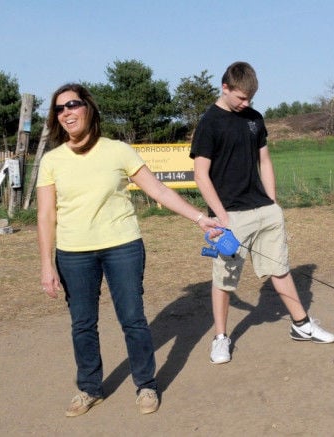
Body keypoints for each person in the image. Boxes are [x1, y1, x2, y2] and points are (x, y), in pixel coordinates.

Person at [37, 83, 221, 417]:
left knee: (133, 319)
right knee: (82, 324)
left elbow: (159, 191)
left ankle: (146, 385)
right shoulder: (52, 161)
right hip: (73, 253)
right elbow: (45, 215)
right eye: (59, 108)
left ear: (88, 108)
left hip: (122, 246)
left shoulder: (117, 150)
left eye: (72, 104)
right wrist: (46, 266)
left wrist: (199, 218)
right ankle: (89, 388)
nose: (66, 112)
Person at [190, 61, 334, 365]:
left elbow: (265, 161)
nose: (246, 104)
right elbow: (201, 175)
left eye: (250, 99)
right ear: (225, 87)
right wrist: (222, 216)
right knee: (225, 278)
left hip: (264, 210)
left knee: (280, 267)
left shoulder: (254, 119)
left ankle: (302, 324)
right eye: (241, 98)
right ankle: (220, 337)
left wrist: (273, 203)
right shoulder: (210, 123)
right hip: (229, 214)